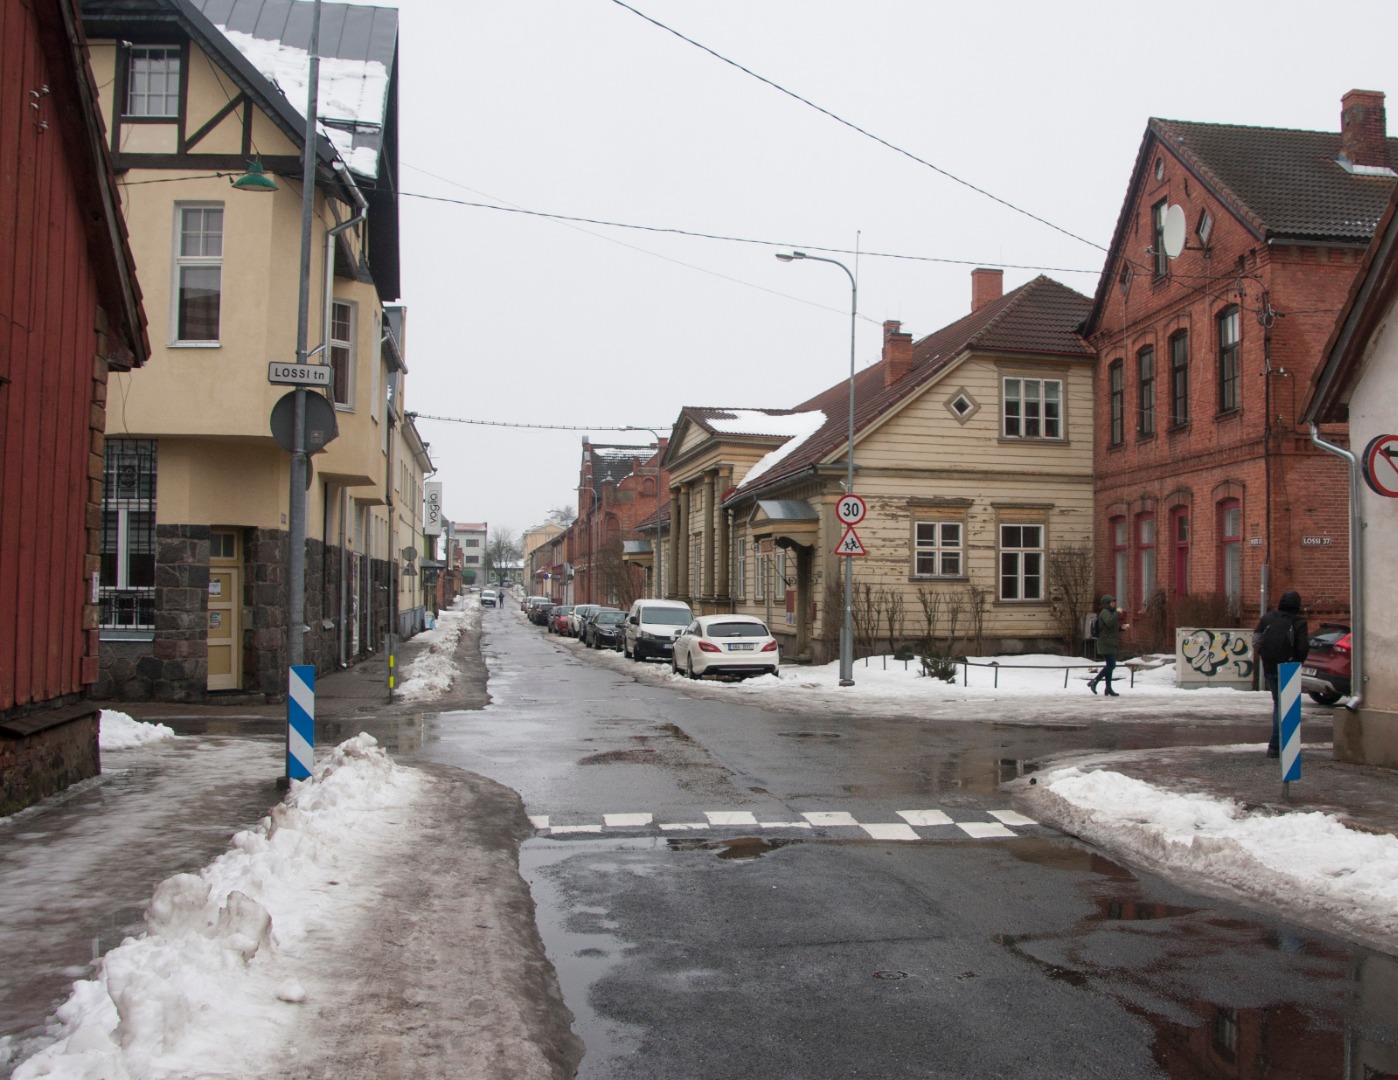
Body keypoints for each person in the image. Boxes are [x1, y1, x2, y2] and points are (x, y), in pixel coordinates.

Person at [1252, 590, 1309, 758]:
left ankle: (1279, 745)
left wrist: (1265, 654)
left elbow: (1256, 640)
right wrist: (1296, 662)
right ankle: (1278, 745)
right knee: (1287, 706)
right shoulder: (1299, 623)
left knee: (1279, 704)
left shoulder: (1267, 618)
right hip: (1289, 668)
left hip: (1270, 667)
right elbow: (1303, 648)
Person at [1088, 595, 1129, 696]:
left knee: (1109, 666)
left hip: (1110, 642)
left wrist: (1121, 628)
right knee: (1111, 665)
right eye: (1112, 602)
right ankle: (1095, 681)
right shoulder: (1105, 612)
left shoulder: (1110, 612)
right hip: (1105, 643)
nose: (1114, 604)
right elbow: (1110, 622)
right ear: (1107, 603)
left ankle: (1108, 688)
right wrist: (1117, 613)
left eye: (1114, 602)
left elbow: (1110, 628)